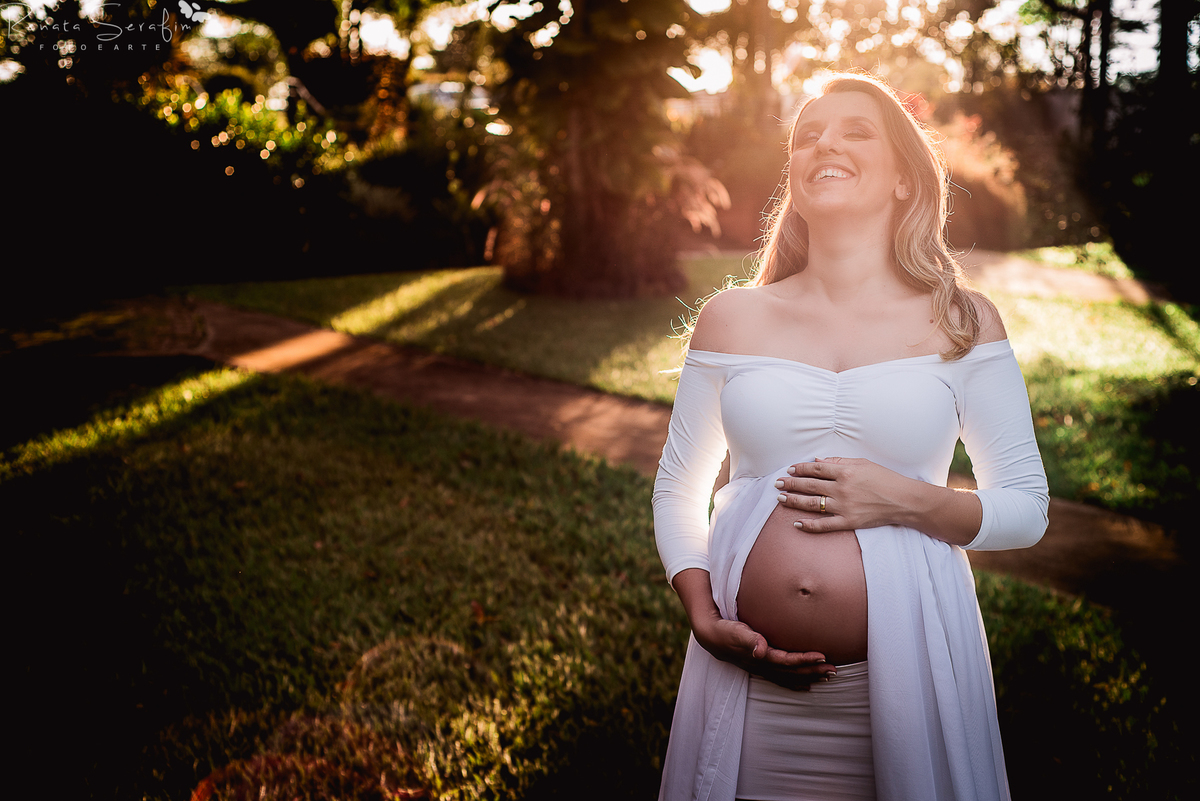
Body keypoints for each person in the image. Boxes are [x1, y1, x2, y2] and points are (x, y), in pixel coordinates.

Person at [652, 72, 1049, 801]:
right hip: (749, 687)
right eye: (808, 135)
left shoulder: (962, 320)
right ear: (795, 176)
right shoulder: (732, 318)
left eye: (854, 131)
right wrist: (704, 616)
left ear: (904, 177)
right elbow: (680, 487)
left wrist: (906, 498)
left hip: (913, 677)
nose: (823, 143)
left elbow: (1026, 507)